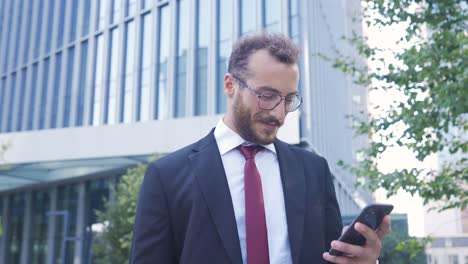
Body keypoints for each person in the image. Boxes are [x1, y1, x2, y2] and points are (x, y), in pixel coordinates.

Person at [130, 32, 390, 264]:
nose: (279, 113)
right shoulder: (166, 176)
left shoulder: (314, 170)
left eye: (289, 99)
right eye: (266, 96)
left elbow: (334, 258)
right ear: (230, 85)